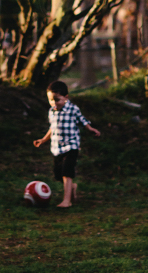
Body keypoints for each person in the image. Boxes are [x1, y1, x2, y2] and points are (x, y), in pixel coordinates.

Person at [33, 80, 101, 208]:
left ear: (66, 97)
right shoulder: (52, 111)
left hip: (71, 146)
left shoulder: (72, 109)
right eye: (50, 100)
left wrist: (90, 129)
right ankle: (72, 187)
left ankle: (67, 201)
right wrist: (43, 140)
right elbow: (52, 128)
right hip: (57, 148)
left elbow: (82, 120)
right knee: (58, 174)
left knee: (66, 172)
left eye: (57, 100)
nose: (54, 103)